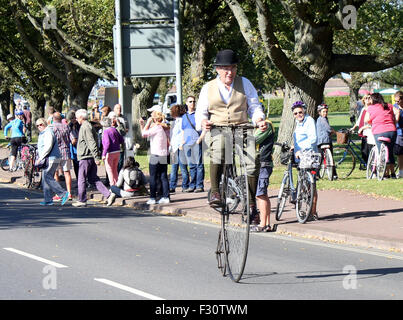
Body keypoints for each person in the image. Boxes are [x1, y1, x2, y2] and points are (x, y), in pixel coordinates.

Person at [195, 49, 267, 220]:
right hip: (219, 126)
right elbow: (201, 112)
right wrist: (203, 122)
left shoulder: (245, 83)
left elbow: (254, 106)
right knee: (219, 150)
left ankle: (250, 204)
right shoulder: (208, 87)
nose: (230, 72)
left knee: (253, 159)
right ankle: (215, 193)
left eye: (233, 68)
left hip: (242, 127)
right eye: (226, 69)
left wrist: (259, 119)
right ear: (217, 70)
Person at [73, 109, 113, 207]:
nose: (76, 119)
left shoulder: (85, 127)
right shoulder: (88, 126)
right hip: (89, 156)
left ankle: (82, 199)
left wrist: (96, 157)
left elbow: (91, 142)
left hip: (86, 157)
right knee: (93, 179)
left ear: (81, 117)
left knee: (81, 179)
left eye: (77, 117)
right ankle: (108, 195)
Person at [292, 101, 319, 220]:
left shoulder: (309, 121)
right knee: (304, 185)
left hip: (310, 155)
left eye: (300, 112)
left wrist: (301, 150)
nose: (298, 114)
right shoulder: (298, 123)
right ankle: (306, 211)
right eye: (295, 113)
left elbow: (313, 139)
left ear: (304, 111)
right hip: (300, 157)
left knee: (311, 185)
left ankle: (313, 212)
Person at [35, 118, 69, 206]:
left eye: (41, 124)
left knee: (47, 176)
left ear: (45, 123)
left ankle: (63, 193)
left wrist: (40, 158)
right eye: (37, 125)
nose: (39, 126)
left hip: (52, 158)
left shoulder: (48, 132)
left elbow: (48, 146)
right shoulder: (43, 133)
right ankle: (48, 200)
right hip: (48, 158)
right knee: (45, 178)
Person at [365, 93, 399, 178]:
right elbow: (397, 111)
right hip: (391, 130)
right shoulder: (389, 105)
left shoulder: (371, 108)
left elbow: (366, 119)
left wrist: (371, 121)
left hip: (378, 131)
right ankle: (393, 173)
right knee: (390, 151)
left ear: (373, 100)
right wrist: (395, 121)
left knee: (382, 152)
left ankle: (385, 174)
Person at [139, 110, 170, 204]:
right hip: (164, 154)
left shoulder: (157, 127)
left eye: (152, 116)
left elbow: (144, 134)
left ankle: (152, 197)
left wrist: (145, 124)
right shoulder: (165, 128)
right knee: (163, 176)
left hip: (155, 154)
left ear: (156, 118)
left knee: (152, 176)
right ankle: (166, 196)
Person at [250, 119, 275, 232]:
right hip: (262, 163)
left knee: (260, 194)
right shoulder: (261, 126)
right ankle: (267, 223)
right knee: (263, 194)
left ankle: (262, 224)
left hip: (264, 164)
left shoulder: (266, 125)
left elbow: (253, 140)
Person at [182, 96, 204, 192]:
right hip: (187, 143)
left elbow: (204, 129)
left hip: (196, 142)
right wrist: (182, 141)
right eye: (190, 101)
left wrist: (199, 139)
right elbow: (183, 130)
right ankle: (192, 185)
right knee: (191, 165)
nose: (192, 103)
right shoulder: (184, 116)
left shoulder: (198, 115)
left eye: (194, 101)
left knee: (199, 164)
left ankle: (199, 185)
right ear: (186, 103)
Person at [51, 112, 73, 201]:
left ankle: (59, 193)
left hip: (55, 153)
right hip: (66, 152)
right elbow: (72, 139)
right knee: (67, 173)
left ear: (53, 119)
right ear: (61, 119)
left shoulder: (52, 128)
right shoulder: (67, 126)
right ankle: (69, 193)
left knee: (56, 173)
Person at [169, 104, 190, 192]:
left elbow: (183, 133)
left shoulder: (181, 121)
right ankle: (172, 186)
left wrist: (182, 143)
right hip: (174, 147)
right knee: (174, 168)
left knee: (183, 168)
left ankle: (185, 186)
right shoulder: (176, 121)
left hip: (180, 146)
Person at [351, 94, 375, 165]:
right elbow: (359, 120)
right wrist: (353, 127)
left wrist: (362, 128)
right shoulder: (363, 109)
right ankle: (368, 166)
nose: (367, 99)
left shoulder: (372, 109)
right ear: (363, 100)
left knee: (370, 152)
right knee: (364, 152)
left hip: (370, 133)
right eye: (366, 98)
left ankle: (372, 168)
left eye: (369, 98)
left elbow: (372, 122)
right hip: (364, 133)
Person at [316, 103, 338, 179]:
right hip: (325, 140)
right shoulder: (322, 119)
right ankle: (334, 174)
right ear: (319, 112)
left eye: (326, 111)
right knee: (328, 156)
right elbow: (328, 128)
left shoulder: (321, 119)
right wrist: (335, 132)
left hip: (320, 141)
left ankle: (317, 174)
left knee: (320, 157)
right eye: (323, 112)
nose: (325, 113)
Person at [101, 117, 124, 186]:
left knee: (109, 170)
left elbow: (107, 143)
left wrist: (104, 154)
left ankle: (112, 186)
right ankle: (118, 184)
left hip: (109, 152)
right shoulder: (114, 129)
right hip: (117, 151)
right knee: (115, 169)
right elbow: (121, 140)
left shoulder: (105, 131)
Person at [66, 110, 80, 179]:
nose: (73, 119)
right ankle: (78, 179)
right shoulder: (69, 126)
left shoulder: (79, 125)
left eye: (74, 118)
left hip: (80, 146)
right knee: (75, 164)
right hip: (73, 147)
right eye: (71, 118)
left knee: (81, 164)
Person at [393, 91, 403, 178]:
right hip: (399, 133)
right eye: (395, 101)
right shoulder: (394, 107)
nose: (396, 103)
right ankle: (401, 171)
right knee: (399, 153)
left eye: (398, 101)